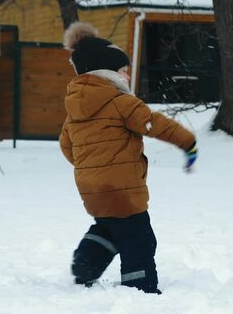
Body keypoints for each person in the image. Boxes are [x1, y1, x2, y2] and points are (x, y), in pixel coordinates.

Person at [59, 22, 199, 294]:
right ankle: (140, 286)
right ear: (106, 73)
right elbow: (153, 123)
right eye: (123, 72)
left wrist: (90, 167)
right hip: (122, 188)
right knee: (139, 237)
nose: (127, 77)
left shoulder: (74, 110)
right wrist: (187, 141)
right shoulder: (121, 102)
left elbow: (67, 145)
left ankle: (87, 260)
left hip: (91, 188)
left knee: (111, 225)